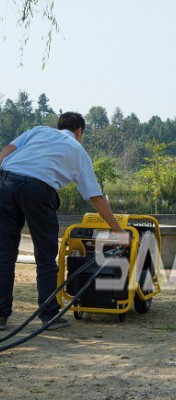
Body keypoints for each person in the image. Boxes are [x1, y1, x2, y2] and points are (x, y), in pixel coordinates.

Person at [0, 112, 130, 331]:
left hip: (6, 183)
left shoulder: (38, 131)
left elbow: (6, 152)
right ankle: (49, 315)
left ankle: (1, 317)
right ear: (79, 131)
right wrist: (118, 231)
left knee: (4, 253)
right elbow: (96, 197)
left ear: (58, 126)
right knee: (45, 255)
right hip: (39, 190)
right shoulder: (78, 150)